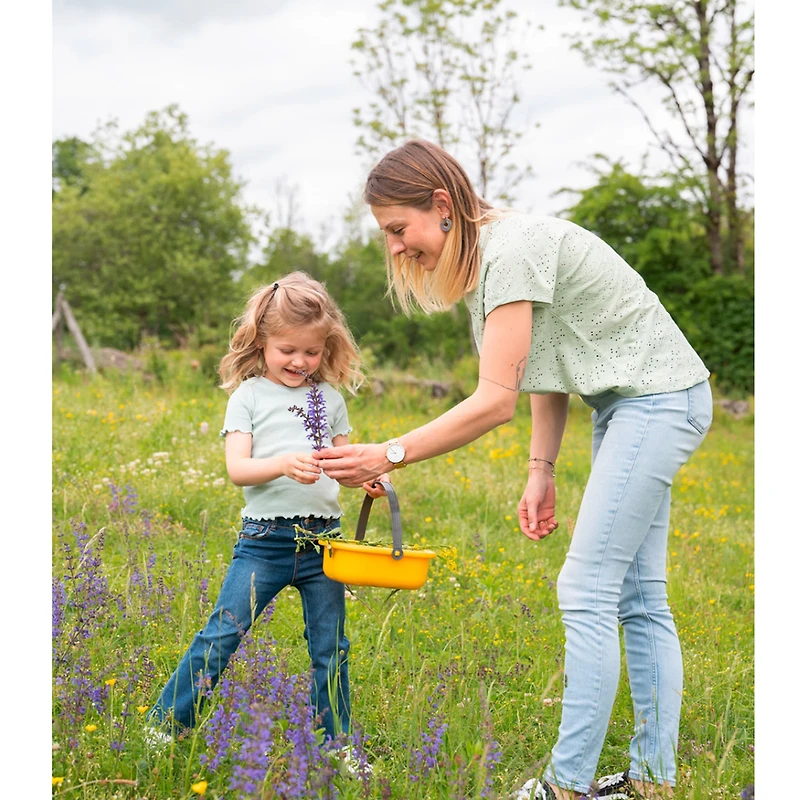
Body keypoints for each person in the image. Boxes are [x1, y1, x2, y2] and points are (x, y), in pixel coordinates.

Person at [316, 140, 713, 800]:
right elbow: (546, 364)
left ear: (441, 204)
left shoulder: (509, 251)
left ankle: (566, 785)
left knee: (586, 589)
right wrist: (540, 468)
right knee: (639, 597)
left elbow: (494, 401)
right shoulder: (491, 257)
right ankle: (653, 782)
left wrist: (389, 453)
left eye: (398, 228)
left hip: (657, 401)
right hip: (633, 404)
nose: (395, 247)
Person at [147, 271, 383, 752]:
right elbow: (238, 469)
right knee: (222, 634)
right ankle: (165, 725)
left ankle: (337, 745)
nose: (300, 361)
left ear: (326, 347)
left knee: (331, 648)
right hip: (265, 543)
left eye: (311, 351)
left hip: (325, 545)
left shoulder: (330, 399)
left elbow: (341, 462)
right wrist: (282, 464)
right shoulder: (249, 396)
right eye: (287, 350)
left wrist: (364, 478)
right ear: (262, 343)